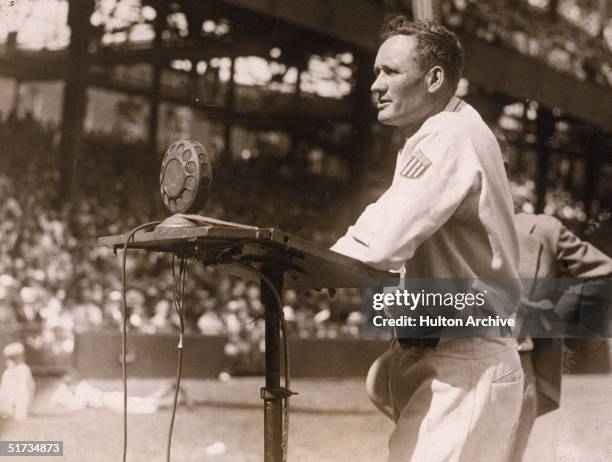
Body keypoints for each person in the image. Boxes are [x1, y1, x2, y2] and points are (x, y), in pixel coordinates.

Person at [330, 17, 523, 461]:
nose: (375, 85)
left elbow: (381, 242)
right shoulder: (443, 130)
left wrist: (309, 261)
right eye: (376, 71)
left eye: (390, 72)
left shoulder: (449, 133)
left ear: (435, 78)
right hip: (447, 352)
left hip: (466, 357)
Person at [508, 212, 612, 461]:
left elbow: (603, 271)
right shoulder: (445, 219)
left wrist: (555, 313)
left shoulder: (544, 229)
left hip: (519, 362)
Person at [0, 342, 36, 420]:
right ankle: (9, 410)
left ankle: (19, 411)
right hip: (9, 401)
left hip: (20, 400)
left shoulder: (23, 369)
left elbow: (25, 390)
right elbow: (3, 389)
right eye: (10, 358)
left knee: (21, 399)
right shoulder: (8, 372)